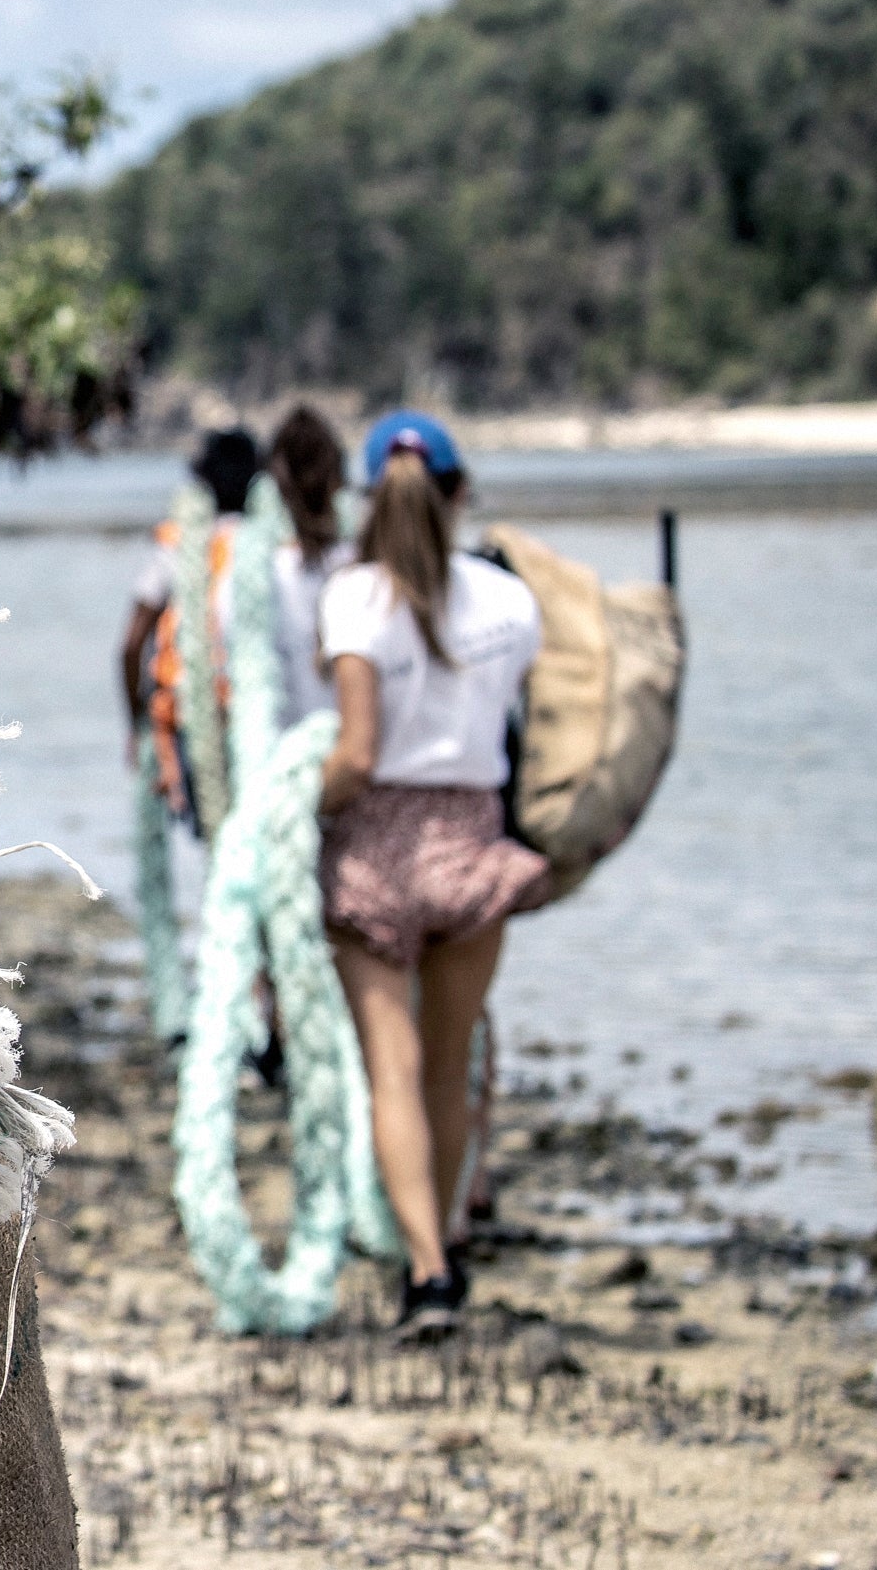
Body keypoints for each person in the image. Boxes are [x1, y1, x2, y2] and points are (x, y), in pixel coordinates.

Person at [317, 410, 547, 1340]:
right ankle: (448, 1239)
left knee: (393, 1070)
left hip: (377, 848)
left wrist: (303, 798)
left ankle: (423, 1270)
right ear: (457, 493)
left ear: (371, 496)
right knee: (451, 1067)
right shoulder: (506, 600)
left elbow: (359, 754)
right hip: (471, 837)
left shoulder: (353, 596)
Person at [120, 427, 260, 823]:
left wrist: (138, 725)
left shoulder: (174, 548)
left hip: (189, 722)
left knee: (215, 835)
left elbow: (131, 646)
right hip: (254, 720)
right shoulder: (270, 547)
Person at [263, 404, 352, 729]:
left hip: (278, 766)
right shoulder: (369, 570)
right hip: (359, 764)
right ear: (339, 478)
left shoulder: (251, 580)